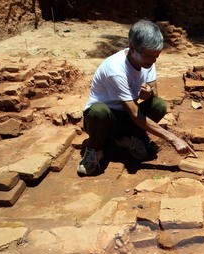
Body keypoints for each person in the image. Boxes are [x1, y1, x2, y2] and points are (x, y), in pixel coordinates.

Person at [78, 19, 196, 176]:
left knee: (158, 105)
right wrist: (172, 138)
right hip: (104, 120)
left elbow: (155, 94)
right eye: (149, 56)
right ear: (133, 49)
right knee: (98, 111)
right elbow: (134, 114)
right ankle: (95, 148)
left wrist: (148, 93)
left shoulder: (148, 61)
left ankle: (127, 138)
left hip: (125, 117)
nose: (153, 61)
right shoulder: (116, 69)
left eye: (157, 56)